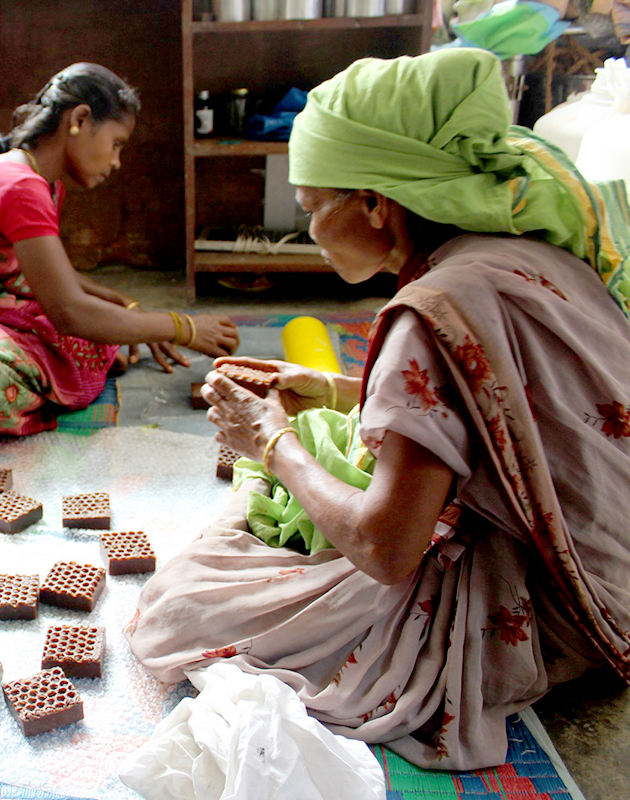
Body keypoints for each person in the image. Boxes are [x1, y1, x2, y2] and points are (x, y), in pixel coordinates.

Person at [126, 48, 630, 770]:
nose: (308, 232)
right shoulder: (518, 252)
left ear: (373, 203)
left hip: (551, 613)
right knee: (317, 463)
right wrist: (331, 388)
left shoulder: (429, 315)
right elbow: (491, 410)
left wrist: (268, 442)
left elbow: (387, 552)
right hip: (613, 570)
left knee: (186, 599)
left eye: (311, 209)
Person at [0, 63, 240, 440]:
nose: (117, 161)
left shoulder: (42, 181)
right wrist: (181, 326)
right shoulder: (18, 183)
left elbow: (51, 276)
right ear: (81, 119)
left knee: (97, 334)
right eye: (116, 144)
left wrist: (128, 308)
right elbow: (67, 309)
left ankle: (33, 368)